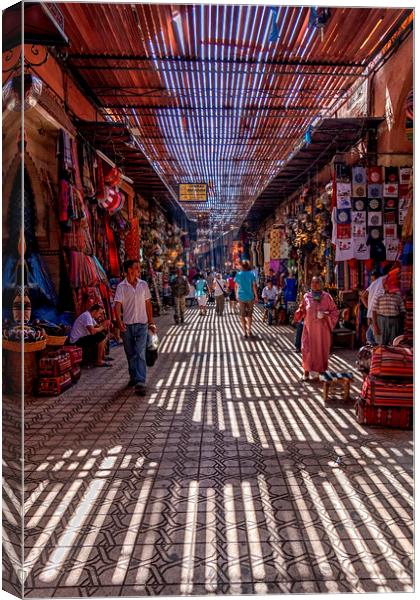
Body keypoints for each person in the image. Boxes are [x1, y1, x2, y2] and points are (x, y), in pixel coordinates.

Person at [114, 259, 157, 395]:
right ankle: (133, 377)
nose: (139, 269)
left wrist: (151, 322)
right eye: (136, 267)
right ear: (129, 270)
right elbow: (117, 305)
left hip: (142, 325)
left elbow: (148, 304)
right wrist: (119, 322)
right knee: (130, 354)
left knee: (139, 352)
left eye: (139, 267)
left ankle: (140, 381)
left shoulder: (143, 285)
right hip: (127, 326)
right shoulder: (121, 287)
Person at [299, 276, 339, 381]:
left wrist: (325, 315)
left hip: (322, 332)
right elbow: (302, 310)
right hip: (308, 330)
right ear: (310, 284)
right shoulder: (306, 296)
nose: (315, 284)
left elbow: (334, 312)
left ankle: (321, 373)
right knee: (306, 349)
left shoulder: (327, 297)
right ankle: (306, 372)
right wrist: (299, 310)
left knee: (321, 351)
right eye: (313, 282)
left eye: (318, 282)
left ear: (322, 284)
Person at [69, 303, 111, 367]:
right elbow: (92, 331)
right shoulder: (87, 316)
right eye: (99, 313)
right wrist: (102, 326)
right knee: (101, 336)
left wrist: (104, 324)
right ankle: (99, 361)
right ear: (94, 311)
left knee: (103, 334)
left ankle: (102, 357)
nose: (100, 315)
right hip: (76, 341)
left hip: (82, 339)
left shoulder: (90, 317)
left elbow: (97, 327)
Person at [360, 265, 393, 345]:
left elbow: (363, 296)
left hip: (372, 313)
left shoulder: (374, 283)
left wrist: (369, 308)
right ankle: (378, 354)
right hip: (379, 314)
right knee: (376, 339)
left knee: (371, 336)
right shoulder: (386, 280)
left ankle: (375, 354)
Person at [372, 269, 405, 346]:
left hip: (395, 321)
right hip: (382, 320)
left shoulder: (398, 295)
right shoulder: (379, 295)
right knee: (382, 344)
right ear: (384, 285)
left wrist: (399, 323)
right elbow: (373, 311)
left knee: (394, 344)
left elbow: (402, 311)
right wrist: (375, 325)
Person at [235, 261, 258, 338]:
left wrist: (236, 295)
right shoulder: (251, 274)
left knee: (242, 315)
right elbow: (254, 286)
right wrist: (256, 296)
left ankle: (244, 331)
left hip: (241, 297)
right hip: (250, 297)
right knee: (249, 315)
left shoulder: (238, 274)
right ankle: (249, 330)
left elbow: (236, 286)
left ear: (242, 266)